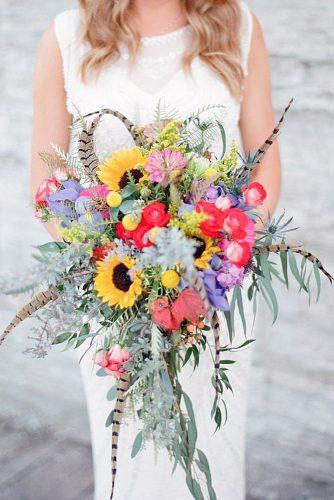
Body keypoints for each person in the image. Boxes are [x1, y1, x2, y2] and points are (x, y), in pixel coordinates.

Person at [31, 1, 281, 498]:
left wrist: (220, 252)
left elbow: (266, 167)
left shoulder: (237, 24)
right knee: (125, 456)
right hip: (112, 298)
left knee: (215, 447)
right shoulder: (67, 36)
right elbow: (46, 187)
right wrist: (122, 265)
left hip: (214, 295)